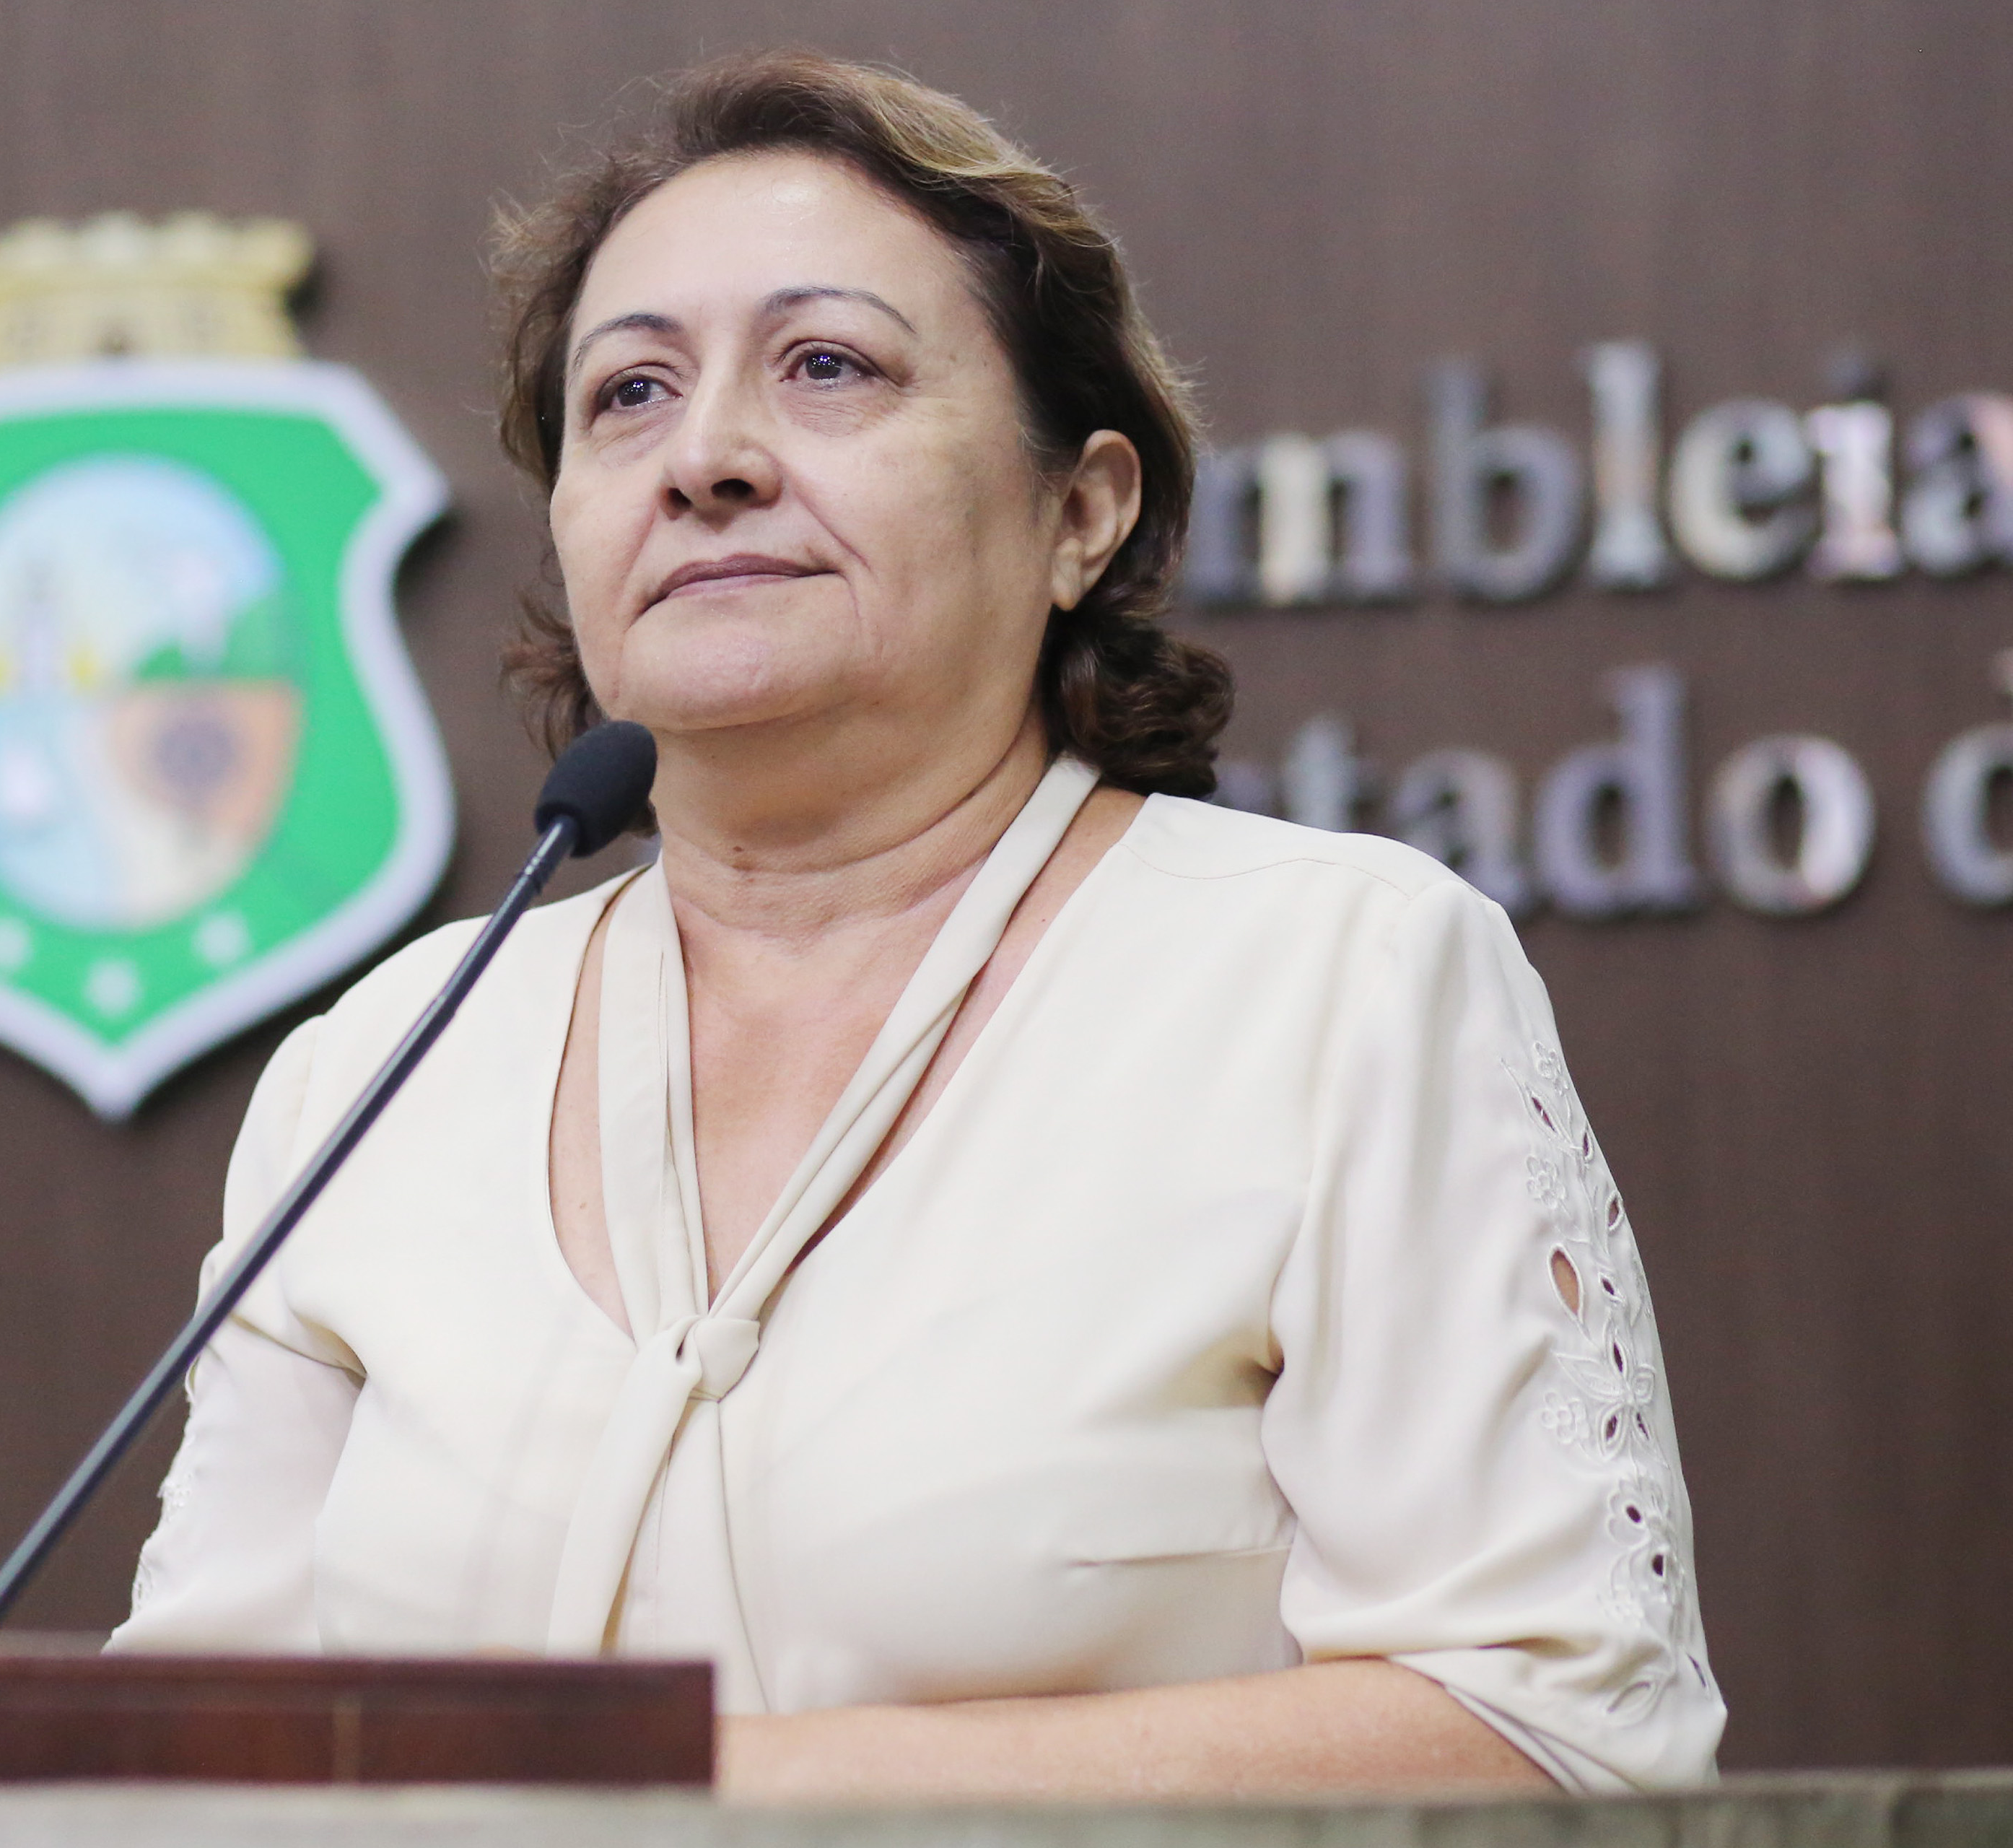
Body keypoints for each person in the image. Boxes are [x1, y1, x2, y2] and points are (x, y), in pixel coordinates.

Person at [111, 51, 1723, 1801]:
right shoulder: (379, 1067)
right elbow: (175, 1772)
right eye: (630, 393)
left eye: (827, 366)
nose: (706, 458)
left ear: (1080, 511)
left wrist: (715, 1793)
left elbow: (1565, 1735)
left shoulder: (1345, 981)